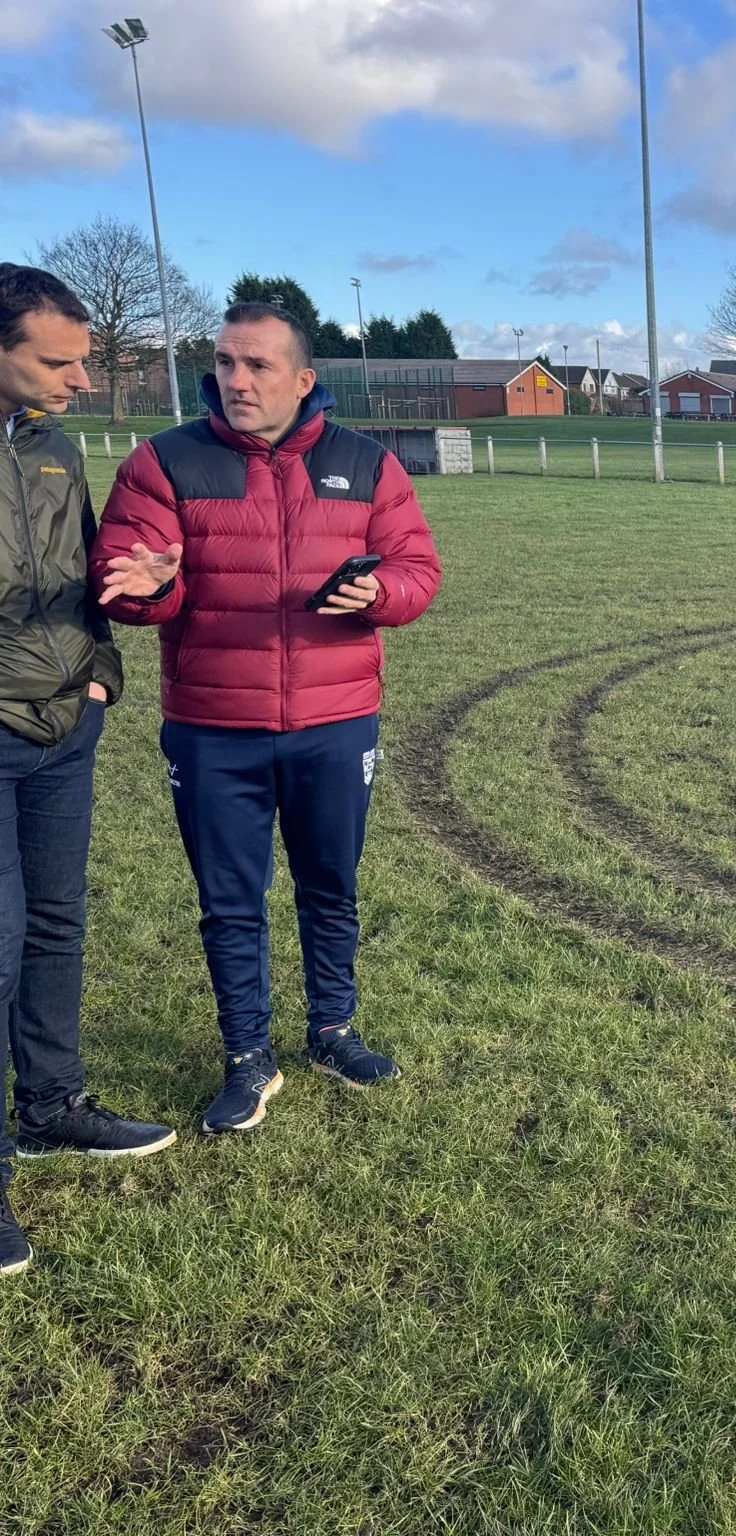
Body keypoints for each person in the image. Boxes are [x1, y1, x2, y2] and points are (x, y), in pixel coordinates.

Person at [94, 302, 441, 1136]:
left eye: (256, 366)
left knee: (331, 886)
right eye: (224, 363)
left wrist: (381, 592)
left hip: (336, 720)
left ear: (304, 380)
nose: (236, 381)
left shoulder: (365, 464)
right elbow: (133, 573)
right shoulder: (164, 462)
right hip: (214, 729)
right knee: (229, 900)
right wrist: (149, 588)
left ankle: (334, 1031)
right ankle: (248, 1056)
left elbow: (418, 569)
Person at [0, 265, 178, 1276]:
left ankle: (54, 1105)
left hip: (67, 729)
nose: (78, 381)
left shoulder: (56, 448)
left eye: (85, 361)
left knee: (59, 923)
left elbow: (86, 587)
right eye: (56, 362)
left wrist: (102, 672)